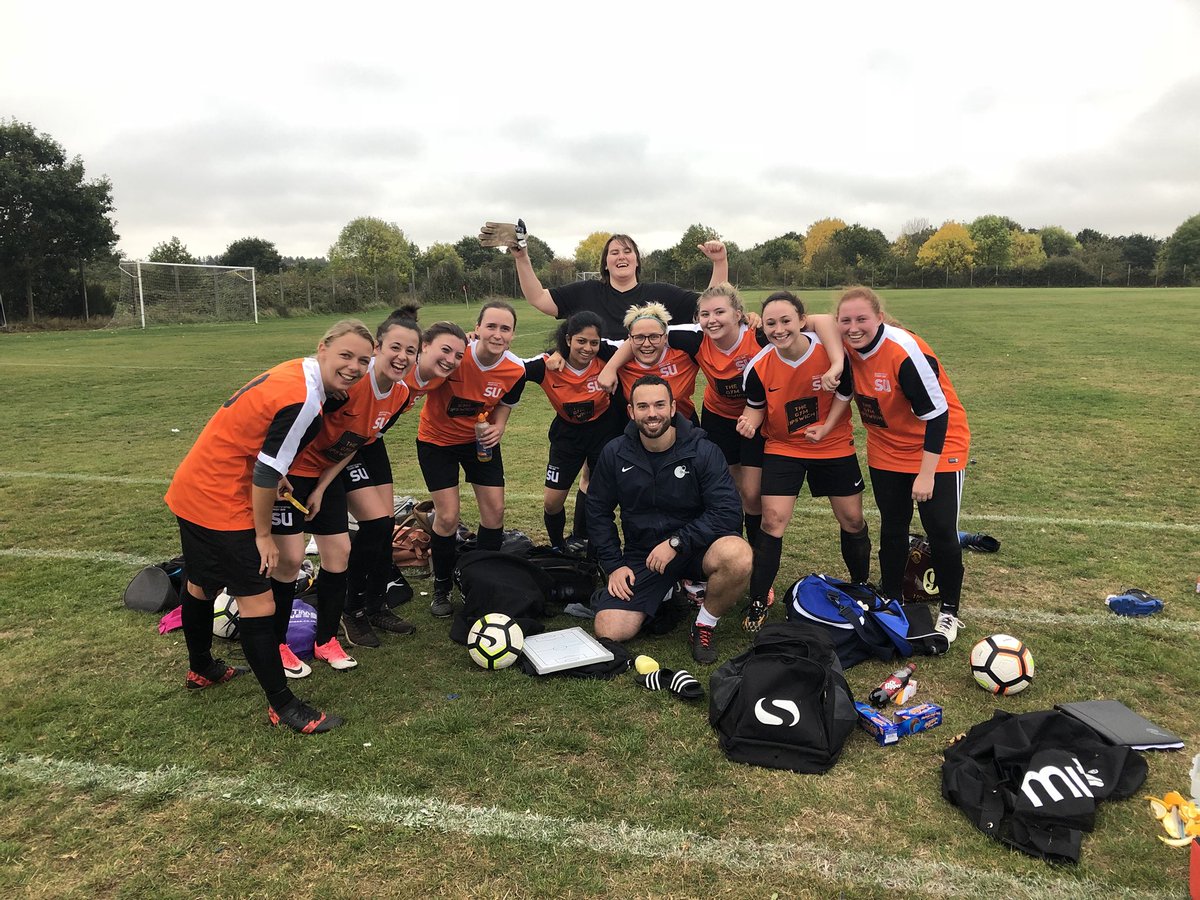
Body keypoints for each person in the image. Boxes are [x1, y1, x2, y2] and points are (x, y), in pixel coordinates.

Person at [163, 319, 375, 734]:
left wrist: (273, 479)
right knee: (258, 603)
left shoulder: (296, 371)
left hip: (194, 486)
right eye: (346, 355)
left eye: (363, 361)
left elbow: (257, 445)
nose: (354, 367)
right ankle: (283, 705)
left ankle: (202, 668)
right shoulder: (304, 397)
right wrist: (262, 535)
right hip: (218, 498)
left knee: (201, 583)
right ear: (323, 348)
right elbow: (264, 470)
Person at [601, 284, 845, 544]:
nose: (712, 320)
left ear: (738, 314)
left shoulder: (759, 334)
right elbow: (644, 334)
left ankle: (753, 552)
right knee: (726, 488)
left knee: (751, 493)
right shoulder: (695, 337)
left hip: (756, 419)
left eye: (720, 312)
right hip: (718, 418)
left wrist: (837, 363)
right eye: (705, 314)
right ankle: (727, 543)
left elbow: (822, 320)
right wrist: (611, 367)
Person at [271, 308, 423, 659]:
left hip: (325, 472)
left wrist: (322, 487)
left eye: (410, 351)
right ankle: (275, 642)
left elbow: (355, 443)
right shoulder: (347, 384)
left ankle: (330, 635)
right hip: (290, 473)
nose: (402, 357)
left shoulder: (400, 394)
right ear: (378, 348)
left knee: (341, 549)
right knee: (287, 560)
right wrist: (279, 474)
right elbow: (294, 423)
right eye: (395, 347)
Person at [835, 286, 971, 643]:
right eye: (845, 320)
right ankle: (892, 599)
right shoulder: (844, 344)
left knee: (940, 528)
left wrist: (926, 474)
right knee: (893, 524)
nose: (853, 327)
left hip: (938, 445)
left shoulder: (903, 351)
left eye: (862, 319)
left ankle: (950, 611)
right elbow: (809, 322)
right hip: (886, 447)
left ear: (879, 318)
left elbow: (938, 415)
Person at [587, 375, 752, 664]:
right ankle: (670, 593)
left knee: (738, 555)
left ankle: (704, 624)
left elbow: (727, 511)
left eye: (659, 405)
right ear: (631, 412)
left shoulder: (703, 450)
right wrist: (614, 565)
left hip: (697, 549)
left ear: (673, 408)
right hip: (645, 554)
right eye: (643, 406)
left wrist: (677, 542)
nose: (652, 413)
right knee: (609, 630)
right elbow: (598, 510)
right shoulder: (615, 452)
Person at [735, 291, 870, 632]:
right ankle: (757, 600)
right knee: (772, 521)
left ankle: (861, 585)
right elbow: (756, 407)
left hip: (832, 444)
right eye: (771, 323)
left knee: (852, 519)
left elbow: (845, 393)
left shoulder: (828, 352)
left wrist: (826, 428)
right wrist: (749, 422)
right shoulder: (759, 367)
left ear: (801, 321)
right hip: (784, 447)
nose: (779, 329)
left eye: (786, 321)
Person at [416, 301, 526, 618]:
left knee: (494, 511)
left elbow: (505, 402)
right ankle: (441, 587)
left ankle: (482, 580)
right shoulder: (456, 357)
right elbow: (420, 366)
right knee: (448, 516)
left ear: (513, 334)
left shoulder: (516, 369)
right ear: (477, 328)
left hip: (479, 442)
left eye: (505, 328)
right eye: (490, 326)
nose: (497, 334)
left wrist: (499, 426)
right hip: (436, 442)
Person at [507, 228, 729, 339]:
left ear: (637, 260)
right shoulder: (587, 291)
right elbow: (538, 298)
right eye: (614, 252)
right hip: (601, 395)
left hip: (647, 398)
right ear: (605, 263)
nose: (621, 256)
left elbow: (710, 306)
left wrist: (719, 262)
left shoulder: (662, 294)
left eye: (627, 251)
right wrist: (522, 258)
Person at [522, 310, 622, 550]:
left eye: (594, 342)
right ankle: (559, 547)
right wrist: (473, 342)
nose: (588, 348)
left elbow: (634, 345)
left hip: (604, 433)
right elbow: (511, 367)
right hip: (567, 436)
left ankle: (587, 542)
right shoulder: (547, 365)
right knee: (552, 502)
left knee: (598, 495)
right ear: (568, 339)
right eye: (581, 341)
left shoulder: (607, 356)